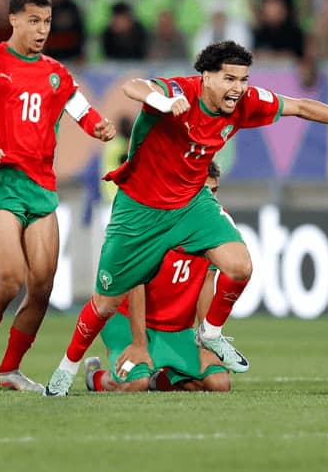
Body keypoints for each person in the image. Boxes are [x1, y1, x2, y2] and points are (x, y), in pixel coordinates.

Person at [43, 40, 328, 396]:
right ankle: (67, 369)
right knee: (105, 303)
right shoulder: (179, 93)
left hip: (190, 202)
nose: (238, 88)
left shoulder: (245, 103)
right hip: (139, 209)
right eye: (229, 79)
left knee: (240, 266)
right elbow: (134, 87)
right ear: (205, 77)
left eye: (243, 79)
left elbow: (299, 106)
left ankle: (211, 333)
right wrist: (164, 103)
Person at [0, 0, 116, 392]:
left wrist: (99, 127)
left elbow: (81, 110)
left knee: (41, 287)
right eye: (34, 21)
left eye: (47, 22)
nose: (41, 30)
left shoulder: (55, 72)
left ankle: (10, 369)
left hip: (40, 187)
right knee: (10, 279)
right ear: (14, 19)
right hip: (0, 183)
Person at [84, 162, 230, 393]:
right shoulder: (154, 216)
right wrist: (139, 344)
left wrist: (206, 345)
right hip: (128, 322)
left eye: (214, 191)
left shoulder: (217, 222)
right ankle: (96, 376)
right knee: (135, 383)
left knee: (218, 383)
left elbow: (207, 282)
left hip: (175, 331)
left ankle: (160, 378)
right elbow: (136, 283)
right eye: (203, 191)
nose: (210, 200)